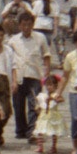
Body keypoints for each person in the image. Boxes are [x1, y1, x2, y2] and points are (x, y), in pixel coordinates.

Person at [8, 12, 52, 142]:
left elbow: (46, 55)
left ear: (33, 25)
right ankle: (21, 130)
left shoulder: (40, 37)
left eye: (29, 24)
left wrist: (47, 71)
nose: (26, 27)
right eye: (24, 25)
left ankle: (32, 131)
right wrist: (13, 80)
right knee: (18, 105)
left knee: (34, 104)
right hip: (19, 75)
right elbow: (10, 60)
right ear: (19, 25)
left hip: (35, 75)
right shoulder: (13, 40)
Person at [33, 75, 67, 154]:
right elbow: (39, 105)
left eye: (51, 85)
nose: (49, 87)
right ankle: (40, 146)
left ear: (55, 86)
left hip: (53, 116)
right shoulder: (43, 95)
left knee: (54, 131)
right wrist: (37, 108)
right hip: (43, 116)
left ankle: (54, 146)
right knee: (40, 130)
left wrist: (54, 99)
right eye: (47, 85)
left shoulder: (56, 95)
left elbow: (62, 99)